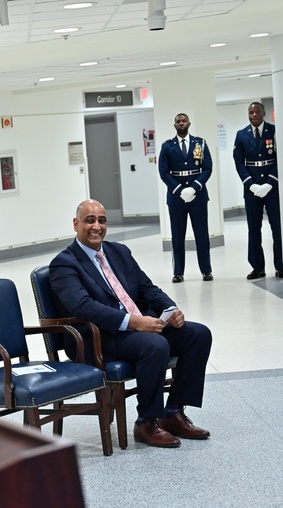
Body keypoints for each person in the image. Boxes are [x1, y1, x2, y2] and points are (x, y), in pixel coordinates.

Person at [48, 200, 213, 449]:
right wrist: (132, 322)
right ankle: (146, 422)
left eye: (102, 220)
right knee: (154, 345)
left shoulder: (119, 252)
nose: (96, 226)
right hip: (97, 338)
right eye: (89, 220)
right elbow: (82, 306)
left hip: (136, 329)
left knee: (198, 334)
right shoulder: (64, 263)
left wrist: (171, 309)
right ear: (76, 224)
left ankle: (173, 412)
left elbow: (147, 288)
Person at [157, 113, 213, 283]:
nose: (181, 123)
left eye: (183, 121)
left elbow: (207, 168)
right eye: (178, 121)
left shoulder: (200, 143)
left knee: (202, 235)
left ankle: (206, 271)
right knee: (177, 235)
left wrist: (194, 187)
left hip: (198, 197)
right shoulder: (167, 146)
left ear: (189, 123)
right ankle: (178, 272)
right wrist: (180, 189)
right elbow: (163, 172)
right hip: (176, 198)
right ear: (175, 125)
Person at [233, 101, 283, 279]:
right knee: (254, 228)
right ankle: (257, 267)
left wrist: (270, 182)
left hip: (272, 187)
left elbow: (281, 157)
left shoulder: (275, 131)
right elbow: (239, 162)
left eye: (256, 112)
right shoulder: (241, 135)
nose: (253, 115)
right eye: (250, 112)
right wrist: (250, 184)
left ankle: (280, 265)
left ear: (264, 113)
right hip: (252, 188)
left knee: (277, 227)